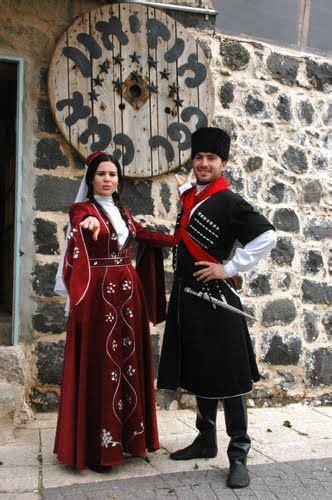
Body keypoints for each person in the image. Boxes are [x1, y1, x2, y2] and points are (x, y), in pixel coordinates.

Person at [157, 127, 276, 489]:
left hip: (217, 300)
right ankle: (205, 439)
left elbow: (267, 235)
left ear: (223, 163)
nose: (204, 163)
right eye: (199, 158)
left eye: (211, 158)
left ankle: (238, 453)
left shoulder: (230, 201)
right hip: (187, 298)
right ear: (193, 161)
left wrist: (228, 268)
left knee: (230, 376)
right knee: (200, 369)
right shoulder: (190, 197)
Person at [53, 150, 174, 472]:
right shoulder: (82, 209)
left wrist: (178, 239)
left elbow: (143, 235)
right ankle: (98, 449)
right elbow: (80, 224)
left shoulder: (123, 211)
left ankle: (131, 440)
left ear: (118, 180)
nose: (108, 179)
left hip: (127, 294)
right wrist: (87, 222)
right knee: (101, 361)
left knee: (128, 363)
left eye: (113, 174)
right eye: (102, 174)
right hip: (99, 297)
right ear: (91, 178)